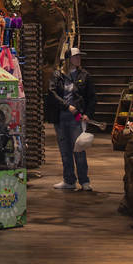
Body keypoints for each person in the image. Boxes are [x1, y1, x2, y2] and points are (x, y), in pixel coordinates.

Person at [46, 46, 96, 191]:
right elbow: (52, 93)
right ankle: (69, 180)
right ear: (69, 59)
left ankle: (84, 181)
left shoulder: (85, 75)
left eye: (79, 57)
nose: (79, 59)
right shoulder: (57, 75)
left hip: (76, 118)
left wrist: (88, 113)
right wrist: (66, 106)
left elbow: (92, 97)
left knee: (78, 149)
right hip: (61, 117)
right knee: (65, 150)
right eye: (76, 57)